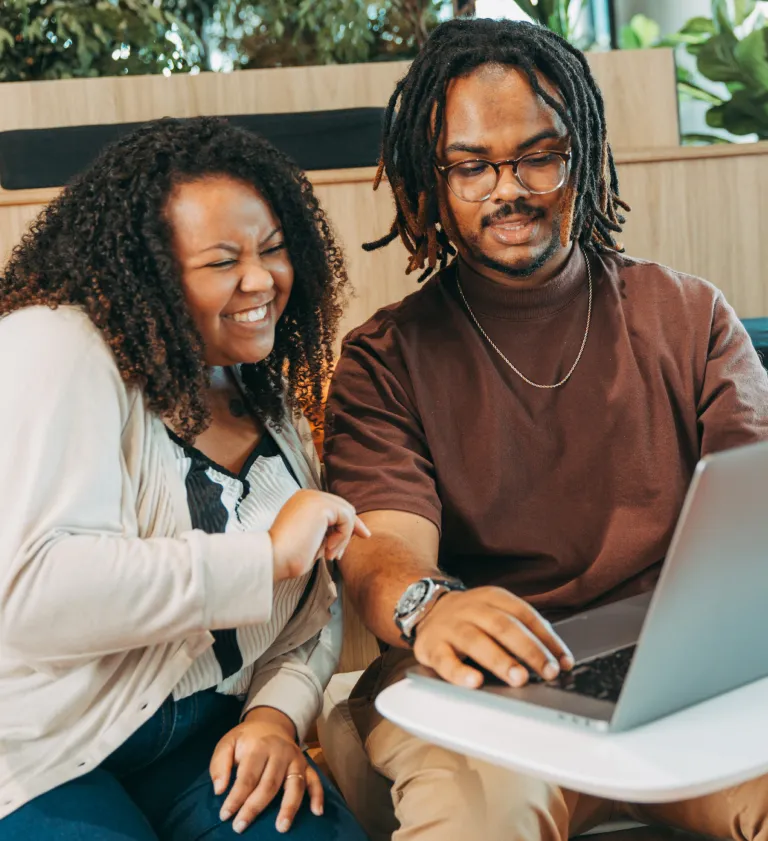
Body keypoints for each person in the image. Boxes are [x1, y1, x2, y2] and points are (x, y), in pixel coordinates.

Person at [324, 17, 768, 841]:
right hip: (481, 690)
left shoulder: (690, 315)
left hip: (679, 675)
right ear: (432, 179)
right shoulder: (385, 359)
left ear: (583, 156)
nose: (509, 188)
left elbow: (757, 517)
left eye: (539, 155)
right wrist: (430, 606)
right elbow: (383, 549)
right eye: (471, 165)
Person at [0, 117, 370, 841]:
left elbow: (310, 608)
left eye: (272, 249)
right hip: (43, 745)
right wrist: (262, 558)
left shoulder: (262, 392)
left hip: (204, 732)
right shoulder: (57, 343)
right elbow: (34, 591)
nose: (261, 279)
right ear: (146, 270)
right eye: (221, 260)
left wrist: (276, 714)